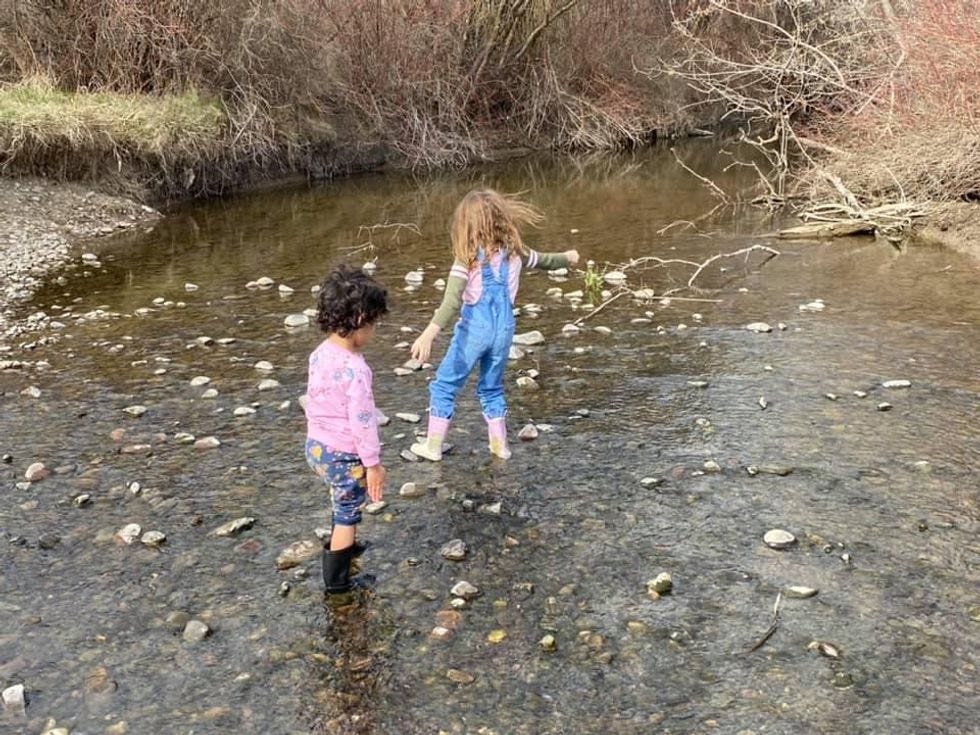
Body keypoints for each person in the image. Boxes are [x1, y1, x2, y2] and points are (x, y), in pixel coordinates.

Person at [410, 189, 580, 461]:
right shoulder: (515, 252)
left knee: (444, 385)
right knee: (491, 388)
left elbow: (451, 301)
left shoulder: (467, 257)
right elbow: (546, 261)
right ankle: (500, 446)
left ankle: (432, 447)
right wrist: (568, 257)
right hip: (504, 330)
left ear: (466, 224)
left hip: (474, 332)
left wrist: (429, 334)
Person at [305, 265, 388, 593]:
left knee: (341, 496)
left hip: (316, 446)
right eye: (373, 324)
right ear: (359, 321)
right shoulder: (355, 370)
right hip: (343, 454)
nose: (373, 332)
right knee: (347, 513)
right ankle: (338, 584)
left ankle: (345, 546)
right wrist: (373, 464)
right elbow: (362, 422)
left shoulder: (320, 353)